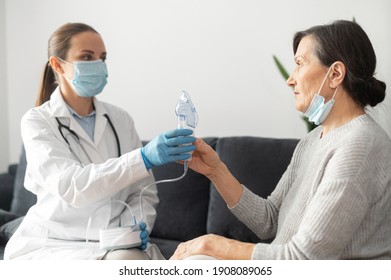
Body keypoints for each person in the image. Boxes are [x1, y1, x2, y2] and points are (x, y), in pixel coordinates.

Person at [170, 20, 391, 260]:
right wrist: (216, 171)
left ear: (335, 73)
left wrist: (213, 246)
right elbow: (270, 220)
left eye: (299, 64)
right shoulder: (312, 140)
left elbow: (303, 258)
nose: (290, 79)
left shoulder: (361, 145)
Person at [4, 23, 195, 260]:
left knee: (130, 260)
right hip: (54, 241)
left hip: (112, 241)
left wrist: (133, 226)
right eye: (86, 57)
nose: (98, 65)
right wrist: (142, 157)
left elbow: (143, 192)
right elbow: (71, 186)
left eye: (102, 58)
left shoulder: (120, 119)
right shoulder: (37, 121)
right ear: (57, 65)